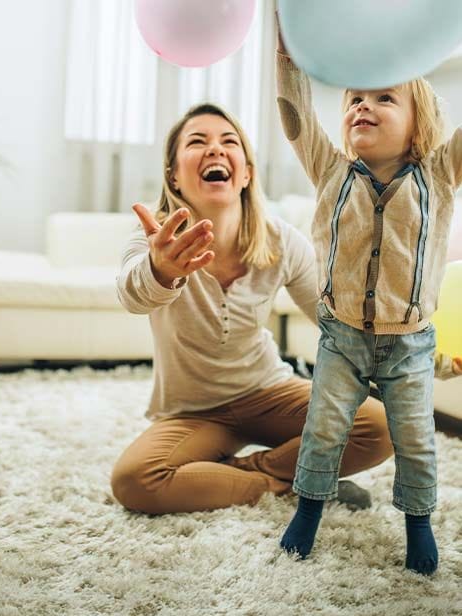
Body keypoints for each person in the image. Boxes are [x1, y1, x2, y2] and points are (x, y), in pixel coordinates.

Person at [111, 102, 398, 518]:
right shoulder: (154, 240)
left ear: (245, 172)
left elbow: (334, 318)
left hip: (269, 393)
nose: (215, 149)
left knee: (378, 427)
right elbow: (133, 297)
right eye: (197, 142)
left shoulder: (281, 240)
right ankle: (288, 484)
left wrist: (408, 351)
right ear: (174, 174)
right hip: (192, 412)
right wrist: (161, 270)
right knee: (135, 481)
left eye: (229, 142)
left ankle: (245, 471)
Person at [274, 24, 462, 575]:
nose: (364, 106)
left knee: (416, 441)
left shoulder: (440, 176)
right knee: (323, 428)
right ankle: (308, 511)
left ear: (417, 120)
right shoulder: (329, 168)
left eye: (385, 97)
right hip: (342, 337)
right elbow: (294, 114)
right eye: (356, 97)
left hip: (408, 345)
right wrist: (286, 48)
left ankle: (418, 523)